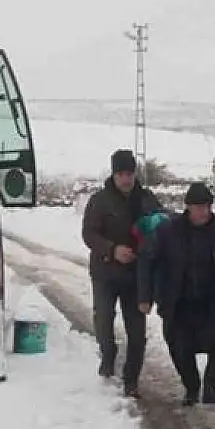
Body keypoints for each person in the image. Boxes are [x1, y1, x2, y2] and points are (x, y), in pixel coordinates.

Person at [138, 182, 215, 406]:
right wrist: (145, 296)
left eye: (206, 206)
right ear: (188, 207)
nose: (202, 211)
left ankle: (212, 387)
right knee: (180, 348)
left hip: (212, 299)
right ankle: (192, 386)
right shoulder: (167, 231)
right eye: (197, 206)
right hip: (177, 300)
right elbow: (146, 259)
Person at [81, 149, 161, 398]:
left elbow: (161, 224)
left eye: (129, 174)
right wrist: (112, 250)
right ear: (113, 175)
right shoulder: (100, 201)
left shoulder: (146, 199)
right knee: (104, 320)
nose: (126, 179)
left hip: (136, 276)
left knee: (137, 331)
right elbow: (89, 234)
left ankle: (131, 379)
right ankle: (108, 354)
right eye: (121, 174)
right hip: (105, 272)